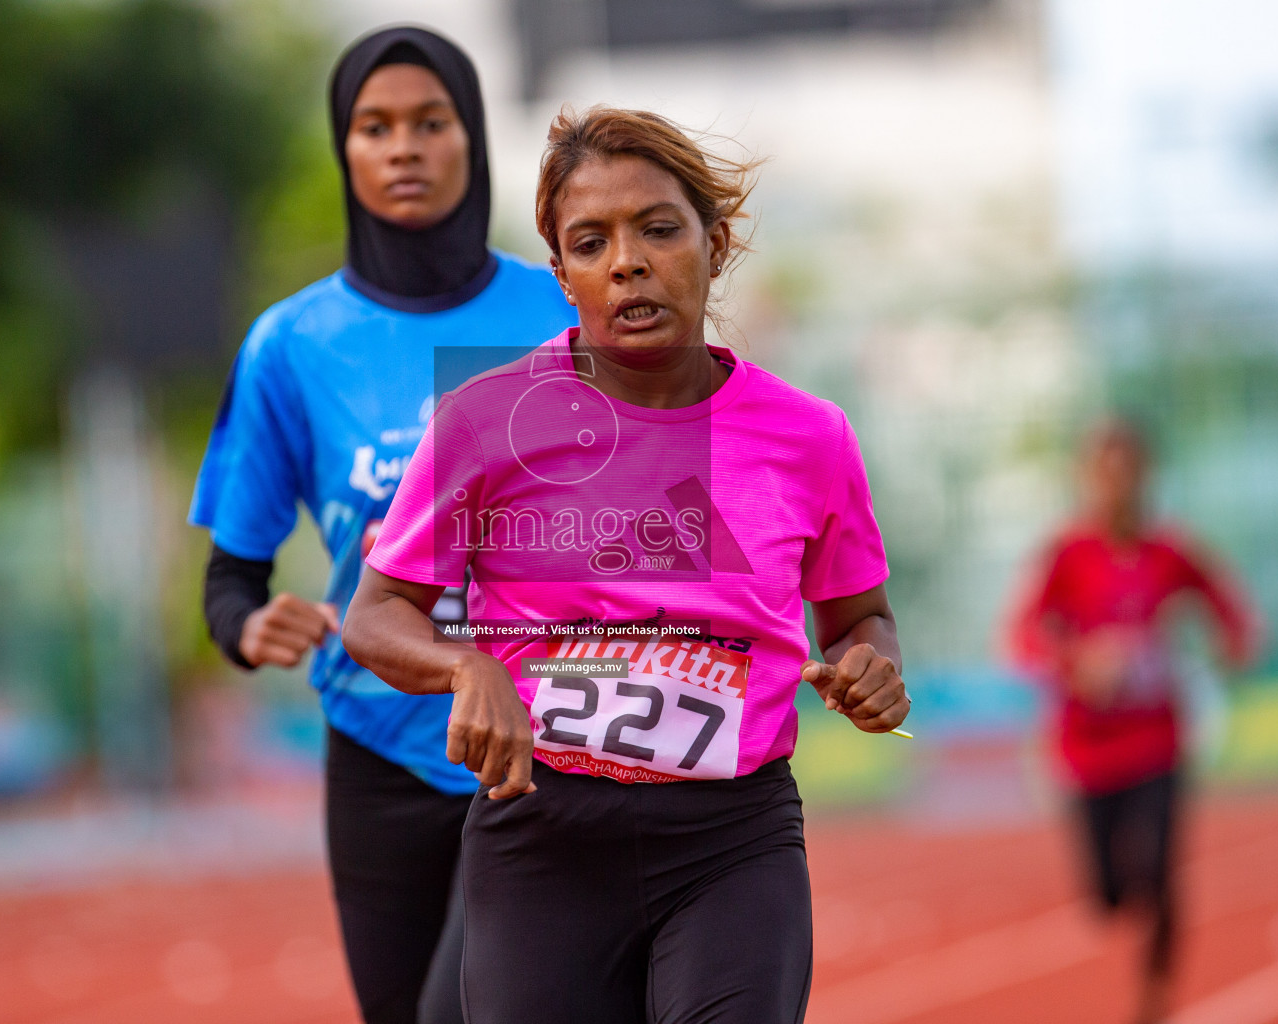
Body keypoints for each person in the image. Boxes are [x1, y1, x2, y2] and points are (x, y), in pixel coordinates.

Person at [342, 107, 910, 1024]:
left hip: (732, 842)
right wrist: (465, 665)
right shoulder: (487, 422)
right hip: (543, 842)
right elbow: (377, 613)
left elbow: (859, 620)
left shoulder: (810, 437)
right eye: (590, 241)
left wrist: (868, 667)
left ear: (714, 245)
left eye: (657, 228)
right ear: (562, 273)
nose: (627, 261)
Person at [188, 26, 575, 1024]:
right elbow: (231, 575)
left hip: (548, 744)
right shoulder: (292, 345)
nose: (403, 147)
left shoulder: (563, 317)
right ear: (345, 149)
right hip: (376, 750)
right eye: (375, 126)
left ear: (473, 138)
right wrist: (245, 624)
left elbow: (644, 520)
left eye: (429, 122)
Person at [1004, 417, 1259, 1024]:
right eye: (1104, 471)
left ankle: (1154, 997)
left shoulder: (1171, 549)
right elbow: (1021, 637)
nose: (1117, 484)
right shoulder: (1067, 553)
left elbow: (1230, 612)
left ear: (1147, 475)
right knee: (1109, 897)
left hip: (1158, 742)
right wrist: (1077, 663)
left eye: (1129, 470)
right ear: (1087, 477)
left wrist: (1229, 645)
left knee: (1160, 870)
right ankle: (1125, 909)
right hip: (1087, 750)